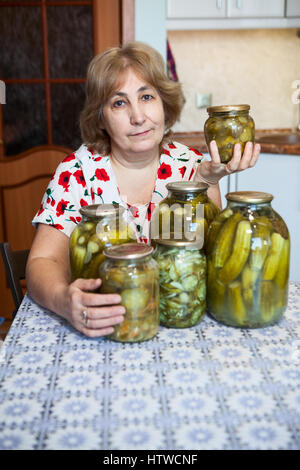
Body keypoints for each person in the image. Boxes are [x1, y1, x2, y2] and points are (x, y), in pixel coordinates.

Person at [26, 41, 260, 338]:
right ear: (101, 117)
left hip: (179, 327)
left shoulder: (190, 165)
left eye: (147, 96)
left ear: (165, 103)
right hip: (105, 329)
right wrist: (64, 300)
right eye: (119, 103)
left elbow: (209, 262)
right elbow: (43, 261)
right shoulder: (76, 173)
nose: (138, 117)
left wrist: (207, 183)